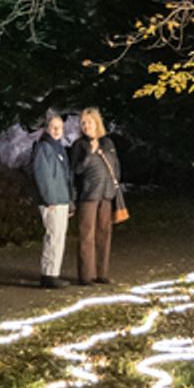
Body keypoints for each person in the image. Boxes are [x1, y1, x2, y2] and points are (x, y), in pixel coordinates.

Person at [69, 106, 121, 286]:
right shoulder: (79, 145)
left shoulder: (108, 143)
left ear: (97, 123)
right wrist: (89, 154)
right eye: (83, 123)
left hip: (106, 195)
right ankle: (85, 275)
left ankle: (102, 272)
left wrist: (114, 188)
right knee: (86, 234)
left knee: (104, 234)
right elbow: (76, 170)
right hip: (88, 195)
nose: (86, 126)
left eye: (89, 122)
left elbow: (115, 166)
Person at [29, 111, 75, 289]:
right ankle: (49, 274)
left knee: (59, 237)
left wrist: (69, 201)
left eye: (60, 128)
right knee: (53, 237)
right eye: (54, 128)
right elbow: (43, 175)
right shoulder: (43, 148)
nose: (57, 131)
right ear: (47, 129)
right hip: (52, 201)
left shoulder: (58, 148)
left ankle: (53, 272)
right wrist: (50, 199)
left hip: (61, 199)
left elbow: (64, 176)